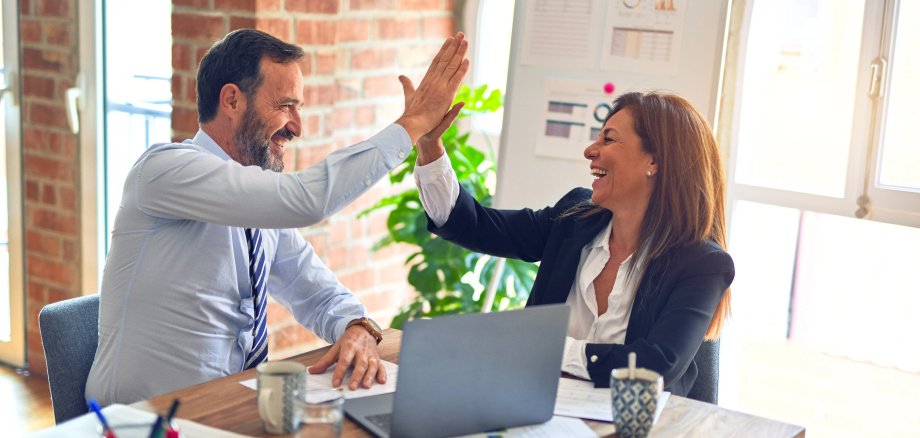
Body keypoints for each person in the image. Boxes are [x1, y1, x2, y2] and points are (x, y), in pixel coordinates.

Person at [85, 29, 469, 405]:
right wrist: (413, 124)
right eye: (286, 105)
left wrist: (357, 327)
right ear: (232, 101)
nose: (297, 127)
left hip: (226, 409)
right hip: (140, 422)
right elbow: (307, 200)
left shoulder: (257, 207)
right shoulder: (165, 171)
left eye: (298, 108)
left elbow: (315, 290)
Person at [414, 91, 734, 396]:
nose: (590, 150)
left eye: (608, 139)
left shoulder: (702, 264)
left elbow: (655, 367)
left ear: (655, 161)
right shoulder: (574, 218)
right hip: (538, 410)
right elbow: (474, 225)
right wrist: (429, 145)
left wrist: (547, 348)